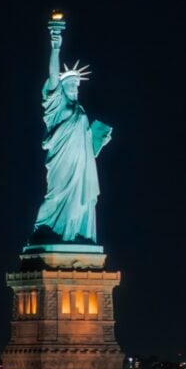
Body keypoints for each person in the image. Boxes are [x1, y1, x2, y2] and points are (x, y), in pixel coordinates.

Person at [30, 27, 112, 244]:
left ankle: (75, 234)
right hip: (61, 163)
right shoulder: (56, 106)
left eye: (77, 85)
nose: (76, 88)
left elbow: (86, 148)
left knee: (80, 203)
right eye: (71, 84)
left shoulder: (81, 112)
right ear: (62, 87)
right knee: (55, 197)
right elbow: (53, 78)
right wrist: (55, 48)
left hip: (80, 167)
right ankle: (44, 229)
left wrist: (99, 141)